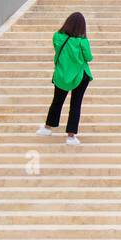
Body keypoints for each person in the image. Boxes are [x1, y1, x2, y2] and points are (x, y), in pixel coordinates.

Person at [37, 11, 93, 146]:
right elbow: (89, 58)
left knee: (57, 101)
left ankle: (47, 128)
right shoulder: (82, 42)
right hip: (80, 76)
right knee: (75, 104)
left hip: (62, 75)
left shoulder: (57, 36)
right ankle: (71, 136)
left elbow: (57, 49)